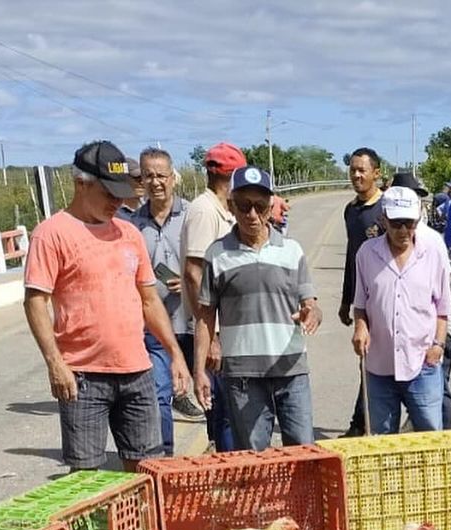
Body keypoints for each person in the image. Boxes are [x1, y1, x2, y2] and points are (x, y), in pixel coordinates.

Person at [23, 141, 189, 472]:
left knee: (146, 471)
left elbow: (148, 299)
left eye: (121, 193)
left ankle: (143, 526)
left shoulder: (129, 234)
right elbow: (36, 301)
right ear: (81, 183)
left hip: (137, 371)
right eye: (109, 192)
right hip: (83, 376)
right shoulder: (52, 234)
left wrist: (175, 354)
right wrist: (55, 362)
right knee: (84, 477)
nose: (118, 201)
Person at [194, 165, 321, 449]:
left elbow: (310, 303)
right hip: (243, 377)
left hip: (291, 371)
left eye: (260, 206)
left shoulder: (292, 251)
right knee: (253, 460)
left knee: (303, 453)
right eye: (243, 206)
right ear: (231, 205)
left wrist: (311, 314)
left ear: (271, 205)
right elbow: (204, 318)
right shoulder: (217, 254)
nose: (252, 214)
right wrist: (199, 370)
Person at [352, 186, 451, 434]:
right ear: (384, 219)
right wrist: (360, 328)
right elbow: (361, 305)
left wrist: (437, 345)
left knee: (429, 435)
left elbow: (443, 307)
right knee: (381, 438)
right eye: (397, 224)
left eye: (409, 223)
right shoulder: (366, 253)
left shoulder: (433, 250)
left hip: (421, 362)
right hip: (379, 365)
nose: (404, 231)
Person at [180, 140, 246, 449]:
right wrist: (212, 336)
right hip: (214, 328)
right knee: (224, 411)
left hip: (226, 326)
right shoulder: (205, 211)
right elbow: (195, 275)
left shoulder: (222, 210)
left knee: (233, 405)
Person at [128, 147, 193, 457]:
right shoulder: (130, 225)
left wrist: (192, 281)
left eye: (161, 175)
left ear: (173, 178)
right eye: (148, 175)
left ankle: (222, 456)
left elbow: (215, 263)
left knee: (213, 395)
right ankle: (164, 457)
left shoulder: (193, 215)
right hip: (153, 327)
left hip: (194, 323)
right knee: (159, 395)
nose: (156, 182)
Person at [390, 170, 451, 429]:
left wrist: (437, 342)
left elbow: (442, 294)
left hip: (436, 336)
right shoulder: (387, 240)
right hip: (414, 341)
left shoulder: (427, 239)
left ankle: (449, 452)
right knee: (432, 399)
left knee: (436, 400)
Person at [338, 147, 385, 435]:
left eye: (362, 170)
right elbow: (350, 256)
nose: (356, 175)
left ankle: (367, 422)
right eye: (353, 170)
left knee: (381, 361)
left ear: (376, 173)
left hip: (385, 297)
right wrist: (346, 299)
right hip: (362, 299)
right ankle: (363, 423)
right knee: (366, 359)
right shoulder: (351, 211)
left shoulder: (386, 210)